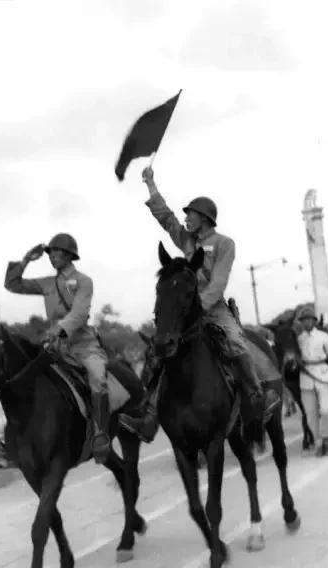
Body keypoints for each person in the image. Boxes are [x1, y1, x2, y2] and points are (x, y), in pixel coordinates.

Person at [118, 166, 280, 443]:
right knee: (160, 350)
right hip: (186, 310)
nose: (185, 219)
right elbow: (166, 218)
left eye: (189, 215)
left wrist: (199, 308)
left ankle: (257, 396)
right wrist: (150, 185)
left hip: (213, 308)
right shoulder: (186, 239)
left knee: (237, 342)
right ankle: (148, 417)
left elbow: (218, 284)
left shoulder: (224, 244)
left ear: (204, 218)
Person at [4, 233, 112, 464]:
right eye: (50, 253)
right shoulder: (46, 283)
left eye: (57, 253)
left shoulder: (84, 281)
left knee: (98, 380)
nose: (52, 257)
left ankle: (101, 435)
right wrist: (25, 261)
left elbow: (80, 313)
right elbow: (12, 285)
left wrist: (59, 329)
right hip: (57, 347)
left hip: (83, 345)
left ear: (69, 255)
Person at [294, 306, 328, 456]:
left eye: (310, 319)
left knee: (326, 410)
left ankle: (327, 437)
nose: (307, 322)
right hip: (306, 378)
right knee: (310, 414)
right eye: (304, 320)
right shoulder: (298, 339)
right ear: (301, 323)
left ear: (315, 321)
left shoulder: (323, 336)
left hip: (323, 375)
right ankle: (318, 442)